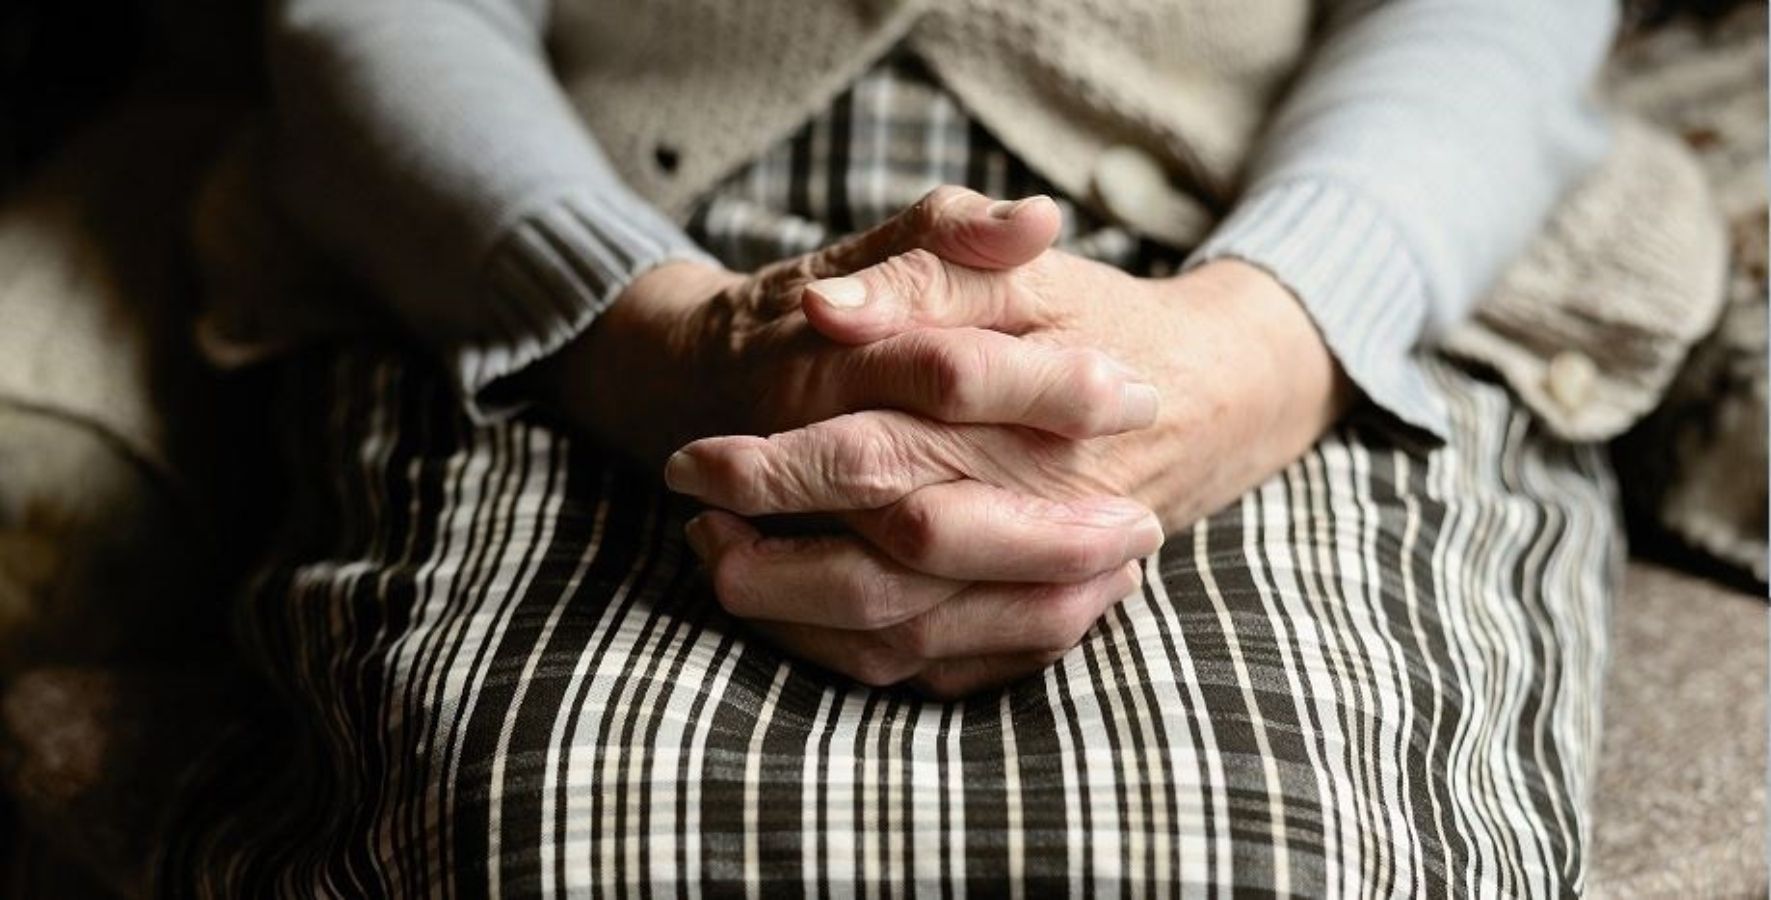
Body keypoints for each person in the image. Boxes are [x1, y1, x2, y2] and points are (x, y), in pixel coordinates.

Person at [165, 0, 1721, 894]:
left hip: (1277, 247)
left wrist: (1256, 346)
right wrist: (652, 339)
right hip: (598, 247)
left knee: (1279, 854)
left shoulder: (1280, 297)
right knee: (537, 838)